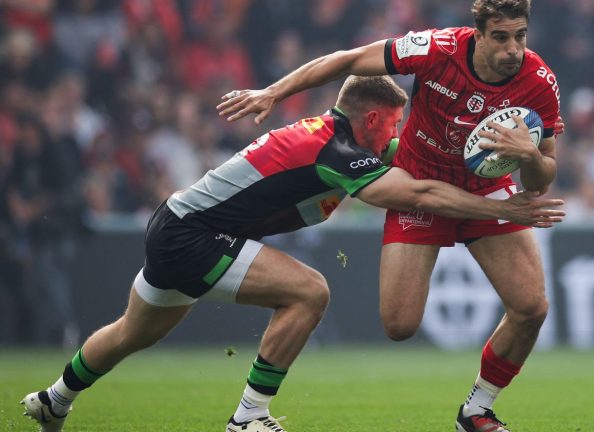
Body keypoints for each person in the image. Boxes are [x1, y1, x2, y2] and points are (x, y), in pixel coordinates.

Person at [22, 75, 564, 432]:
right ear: (373, 119)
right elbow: (415, 193)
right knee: (310, 292)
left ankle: (54, 399)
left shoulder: (335, 138)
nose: (395, 135)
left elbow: (414, 160)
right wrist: (506, 211)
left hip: (176, 224)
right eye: (392, 124)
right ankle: (249, 418)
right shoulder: (336, 151)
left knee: (131, 332)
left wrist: (481, 141)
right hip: (193, 235)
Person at [216, 1, 561, 430]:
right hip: (417, 187)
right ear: (478, 34)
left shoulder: (539, 81)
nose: (514, 48)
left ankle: (477, 410)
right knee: (399, 324)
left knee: (531, 307)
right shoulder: (436, 49)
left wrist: (529, 153)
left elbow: (543, 175)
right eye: (501, 37)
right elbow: (348, 61)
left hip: (488, 190)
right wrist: (274, 92)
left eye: (521, 36)